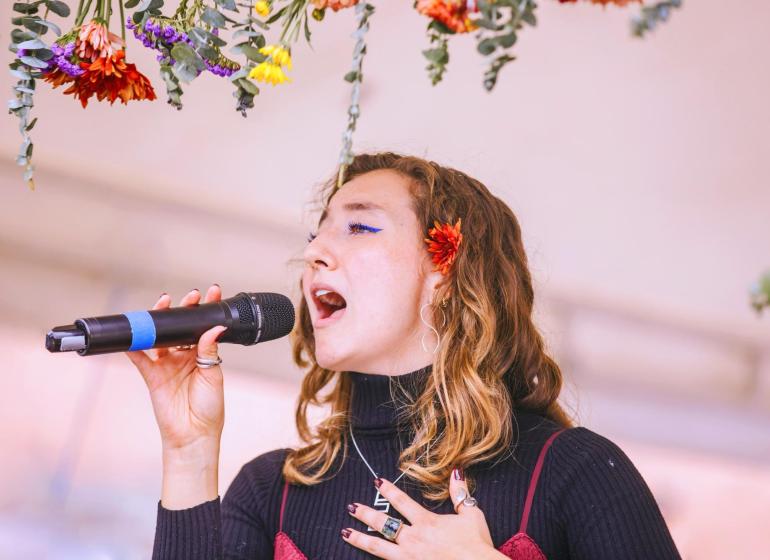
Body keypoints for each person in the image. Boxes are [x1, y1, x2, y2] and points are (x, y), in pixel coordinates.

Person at [127, 152, 681, 559]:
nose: (315, 252)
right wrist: (189, 450)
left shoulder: (572, 469)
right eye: (317, 236)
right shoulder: (271, 490)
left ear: (446, 271)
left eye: (359, 227)